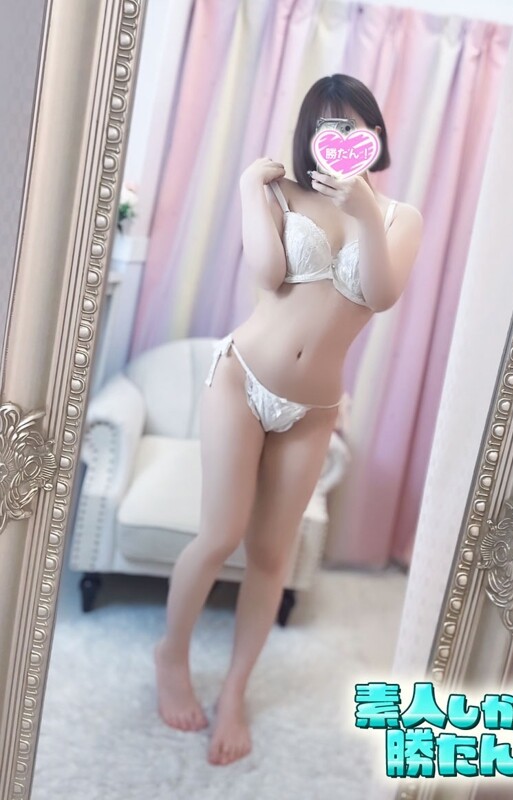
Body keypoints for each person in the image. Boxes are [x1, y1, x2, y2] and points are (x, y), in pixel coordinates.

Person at [154, 73, 423, 766]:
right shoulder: (279, 193)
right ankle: (172, 655)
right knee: (219, 535)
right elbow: (270, 273)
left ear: (376, 135)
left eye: (355, 125)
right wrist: (251, 188)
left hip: (313, 409)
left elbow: (382, 296)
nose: (342, 137)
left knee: (272, 554)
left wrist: (364, 213)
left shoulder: (400, 218)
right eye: (328, 125)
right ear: (309, 135)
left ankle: (235, 691)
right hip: (241, 377)